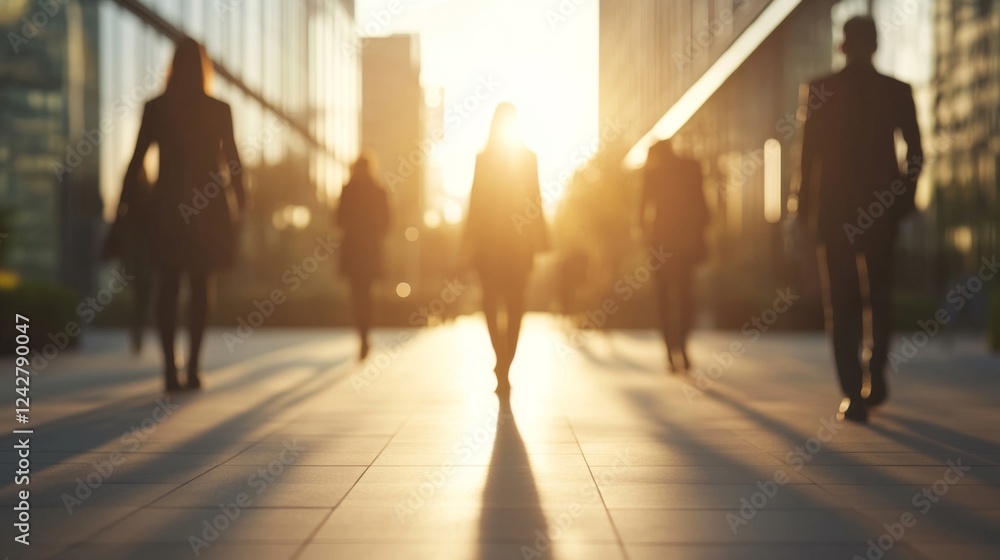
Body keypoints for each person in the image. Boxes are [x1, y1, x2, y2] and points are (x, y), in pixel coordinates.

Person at [794, 16, 923, 422]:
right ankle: (870, 374)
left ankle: (855, 389)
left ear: (843, 46)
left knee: (844, 303)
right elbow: (916, 154)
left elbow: (806, 158)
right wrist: (903, 197)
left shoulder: (821, 89)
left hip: (840, 213)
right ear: (875, 45)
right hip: (876, 210)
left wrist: (801, 209)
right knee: (877, 298)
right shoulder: (894, 90)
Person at [121, 37, 246, 392]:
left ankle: (168, 371)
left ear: (172, 65)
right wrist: (240, 206)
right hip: (209, 209)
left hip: (167, 208)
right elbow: (234, 163)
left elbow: (137, 158)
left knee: (167, 285)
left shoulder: (156, 107)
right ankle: (192, 369)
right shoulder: (219, 109)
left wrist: (124, 206)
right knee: (202, 286)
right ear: (204, 66)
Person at [463, 103, 548, 395]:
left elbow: (533, 200)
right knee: (511, 305)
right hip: (508, 245)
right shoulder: (512, 158)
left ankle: (504, 362)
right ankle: (504, 361)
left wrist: (469, 241)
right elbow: (478, 201)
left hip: (499, 245)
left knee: (501, 303)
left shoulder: (497, 159)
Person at [639, 138, 709, 372]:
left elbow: (641, 208)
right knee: (686, 295)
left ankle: (671, 350)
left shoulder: (653, 172)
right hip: (685, 242)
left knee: (665, 299)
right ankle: (681, 347)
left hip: (662, 244)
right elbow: (703, 204)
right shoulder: (690, 167)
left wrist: (643, 235)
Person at [335, 154, 390, 360]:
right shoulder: (379, 191)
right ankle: (365, 334)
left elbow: (338, 220)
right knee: (367, 295)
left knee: (357, 296)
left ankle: (363, 336)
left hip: (353, 252)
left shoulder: (348, 191)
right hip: (371, 252)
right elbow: (387, 223)